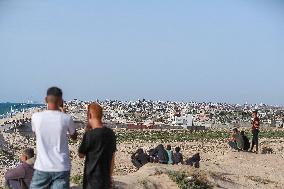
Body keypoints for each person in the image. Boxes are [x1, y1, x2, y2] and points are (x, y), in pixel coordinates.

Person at [30, 87, 77, 189]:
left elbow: (36, 133)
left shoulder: (36, 117)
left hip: (42, 166)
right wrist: (63, 114)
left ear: (46, 100)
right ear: (61, 101)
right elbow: (74, 136)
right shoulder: (66, 118)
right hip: (61, 166)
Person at [79, 103, 116, 189]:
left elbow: (81, 155)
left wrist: (87, 130)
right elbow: (112, 158)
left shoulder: (89, 135)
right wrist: (109, 176)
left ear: (90, 115)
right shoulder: (111, 133)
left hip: (91, 182)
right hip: (105, 181)